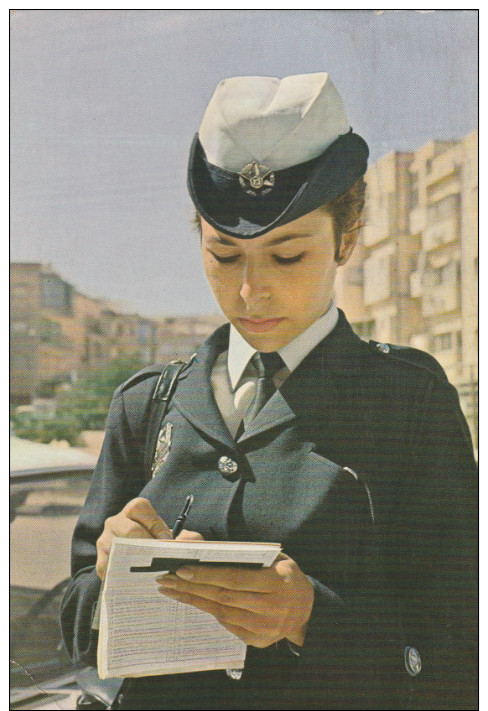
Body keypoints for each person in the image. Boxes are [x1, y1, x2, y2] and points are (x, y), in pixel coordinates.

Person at [61, 72, 477, 710]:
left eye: (286, 257)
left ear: (346, 238)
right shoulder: (147, 404)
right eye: (224, 256)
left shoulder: (409, 404)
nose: (250, 293)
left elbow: (462, 653)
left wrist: (310, 618)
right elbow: (76, 625)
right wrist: (111, 578)